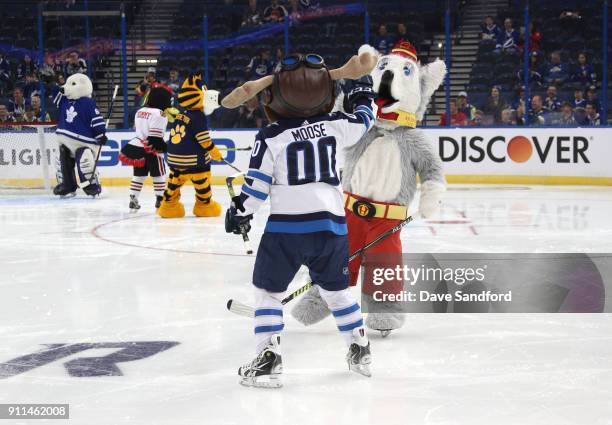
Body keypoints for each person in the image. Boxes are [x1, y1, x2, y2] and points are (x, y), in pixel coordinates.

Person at [222, 50, 378, 387]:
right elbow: (365, 117)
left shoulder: (270, 137)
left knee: (268, 292)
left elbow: (256, 188)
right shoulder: (337, 125)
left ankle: (268, 358)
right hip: (332, 228)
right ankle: (360, 348)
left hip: (286, 231)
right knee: (337, 293)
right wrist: (363, 89)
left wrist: (239, 213)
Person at [157, 74, 224, 219]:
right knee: (202, 183)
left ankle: (168, 207)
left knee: (173, 184)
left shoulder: (180, 114)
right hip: (194, 162)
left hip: (174, 159)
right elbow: (204, 140)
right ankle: (204, 206)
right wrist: (215, 153)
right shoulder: (198, 116)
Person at [120, 84, 176, 211]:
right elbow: (155, 138)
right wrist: (167, 148)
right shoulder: (160, 114)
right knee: (159, 175)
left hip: (137, 146)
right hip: (152, 150)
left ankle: (133, 198)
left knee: (139, 174)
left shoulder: (140, 111)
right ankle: (160, 199)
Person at [52, 73, 107, 197]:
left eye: (72, 84)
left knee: (85, 161)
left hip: (83, 141)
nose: (66, 87)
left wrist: (100, 134)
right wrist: (51, 82)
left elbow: (96, 120)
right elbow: (57, 94)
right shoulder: (65, 100)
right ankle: (67, 186)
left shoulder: (88, 103)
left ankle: (91, 186)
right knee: (61, 161)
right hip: (65, 141)